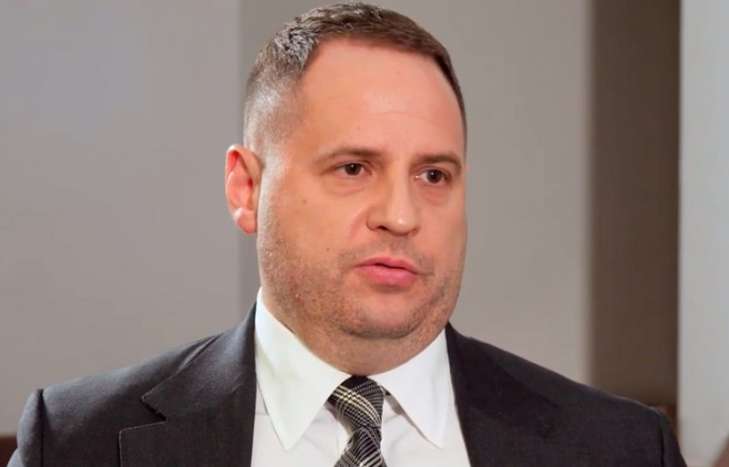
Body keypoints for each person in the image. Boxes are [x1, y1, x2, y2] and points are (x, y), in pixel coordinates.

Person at [9, 3, 686, 466]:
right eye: (354, 168)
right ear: (246, 189)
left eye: (433, 175)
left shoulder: (619, 448)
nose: (401, 215)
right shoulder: (77, 442)